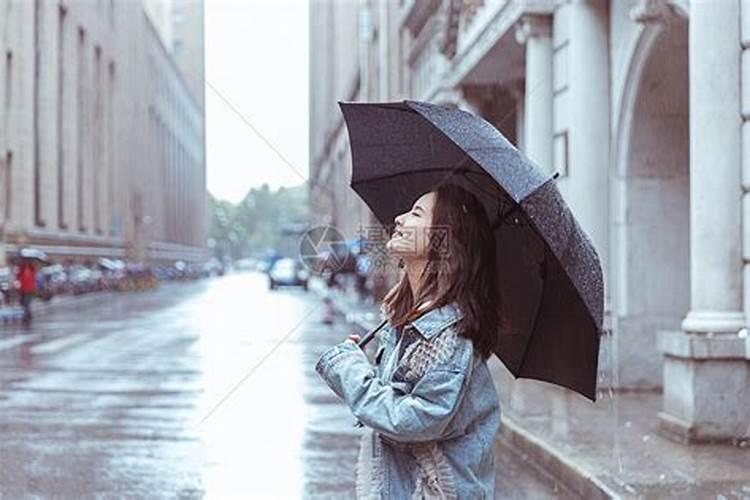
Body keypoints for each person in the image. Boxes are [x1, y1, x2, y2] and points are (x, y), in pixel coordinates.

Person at [315, 183, 505, 499]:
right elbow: (399, 396)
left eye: (416, 213)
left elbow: (414, 420)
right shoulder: (409, 319)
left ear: (445, 240)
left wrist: (349, 371)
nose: (399, 219)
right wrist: (361, 364)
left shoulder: (447, 334)